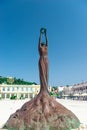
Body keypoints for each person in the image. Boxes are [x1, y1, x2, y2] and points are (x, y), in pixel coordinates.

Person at [38, 28, 49, 93]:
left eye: (43, 44)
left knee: (46, 74)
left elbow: (47, 41)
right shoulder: (40, 48)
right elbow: (39, 41)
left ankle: (46, 90)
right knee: (42, 74)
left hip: (47, 60)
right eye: (42, 44)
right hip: (41, 59)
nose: (43, 44)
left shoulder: (46, 47)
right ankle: (42, 90)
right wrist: (40, 34)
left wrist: (45, 34)